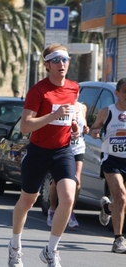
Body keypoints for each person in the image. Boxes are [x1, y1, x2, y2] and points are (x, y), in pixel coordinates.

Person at [8, 44, 79, 267]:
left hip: (62, 151)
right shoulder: (38, 91)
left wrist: (74, 125)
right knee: (28, 200)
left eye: (65, 59)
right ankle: (15, 245)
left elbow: (67, 116)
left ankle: (51, 250)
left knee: (68, 197)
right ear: (47, 65)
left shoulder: (74, 87)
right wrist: (53, 115)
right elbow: (26, 126)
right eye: (56, 60)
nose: (62, 64)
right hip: (38, 152)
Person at [90, 77, 126, 253]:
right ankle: (118, 239)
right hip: (111, 159)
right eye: (125, 91)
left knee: (121, 201)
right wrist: (95, 132)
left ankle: (107, 207)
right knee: (120, 195)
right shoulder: (107, 112)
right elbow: (93, 129)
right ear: (117, 93)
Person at [47, 101, 89, 228]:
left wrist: (86, 129)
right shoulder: (62, 107)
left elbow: (84, 125)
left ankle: (70, 211)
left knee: (77, 181)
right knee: (57, 181)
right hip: (63, 148)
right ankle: (52, 209)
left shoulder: (82, 107)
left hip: (78, 148)